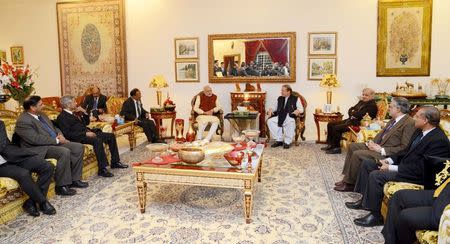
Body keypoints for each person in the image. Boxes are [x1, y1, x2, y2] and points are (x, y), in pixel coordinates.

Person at [346, 106, 450, 227]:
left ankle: (375, 216)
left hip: (417, 175)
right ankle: (365, 201)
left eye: (417, 116)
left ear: (426, 120)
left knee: (376, 175)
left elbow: (421, 168)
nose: (413, 118)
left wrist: (391, 168)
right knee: (368, 163)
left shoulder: (438, 140)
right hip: (405, 167)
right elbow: (405, 151)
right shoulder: (419, 131)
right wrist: (388, 161)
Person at [334, 97, 415, 192]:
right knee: (353, 146)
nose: (388, 108)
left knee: (358, 154)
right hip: (378, 146)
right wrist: (371, 142)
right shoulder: (394, 119)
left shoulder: (409, 123)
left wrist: (381, 150)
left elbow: (404, 147)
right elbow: (381, 133)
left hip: (387, 153)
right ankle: (347, 178)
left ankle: (350, 184)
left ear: (398, 109)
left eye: (390, 106)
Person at [15, 96, 87, 196]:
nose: (43, 106)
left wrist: (60, 135)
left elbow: (54, 127)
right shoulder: (23, 121)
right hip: (38, 148)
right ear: (32, 107)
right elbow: (35, 139)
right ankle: (62, 186)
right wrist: (56, 140)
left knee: (78, 147)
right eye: (41, 104)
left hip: (53, 142)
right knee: (63, 152)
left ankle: (75, 179)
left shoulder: (42, 114)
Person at [56, 95, 128, 178]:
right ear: (68, 105)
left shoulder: (74, 113)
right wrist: (85, 134)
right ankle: (102, 169)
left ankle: (115, 162)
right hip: (78, 137)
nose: (76, 103)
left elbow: (86, 123)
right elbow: (67, 134)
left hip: (87, 133)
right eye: (74, 102)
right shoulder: (62, 117)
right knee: (97, 140)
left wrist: (84, 112)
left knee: (111, 136)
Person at [0, 120, 56, 216]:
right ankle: (43, 202)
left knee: (47, 166)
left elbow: (2, 144)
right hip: (1, 165)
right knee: (23, 173)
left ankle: (31, 202)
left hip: (12, 156)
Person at [381, 182, 450, 244]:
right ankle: (389, 241)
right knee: (398, 197)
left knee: (404, 216)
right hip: (442, 192)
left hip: (445, 207)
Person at [322, 88, 378, 154]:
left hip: (358, 124)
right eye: (363, 94)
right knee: (330, 124)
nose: (364, 96)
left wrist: (353, 112)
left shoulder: (372, 106)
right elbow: (351, 109)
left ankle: (336, 148)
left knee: (336, 128)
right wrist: (353, 113)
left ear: (372, 96)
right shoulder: (361, 101)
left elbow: (360, 115)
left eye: (366, 95)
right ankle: (331, 145)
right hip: (351, 120)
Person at [267, 85, 304, 149]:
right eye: (281, 90)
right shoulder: (280, 98)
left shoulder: (296, 98)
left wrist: (297, 111)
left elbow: (301, 109)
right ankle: (279, 140)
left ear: (288, 91)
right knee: (270, 121)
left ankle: (287, 142)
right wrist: (271, 110)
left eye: (283, 91)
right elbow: (274, 107)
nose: (281, 92)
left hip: (289, 115)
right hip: (280, 115)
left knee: (290, 122)